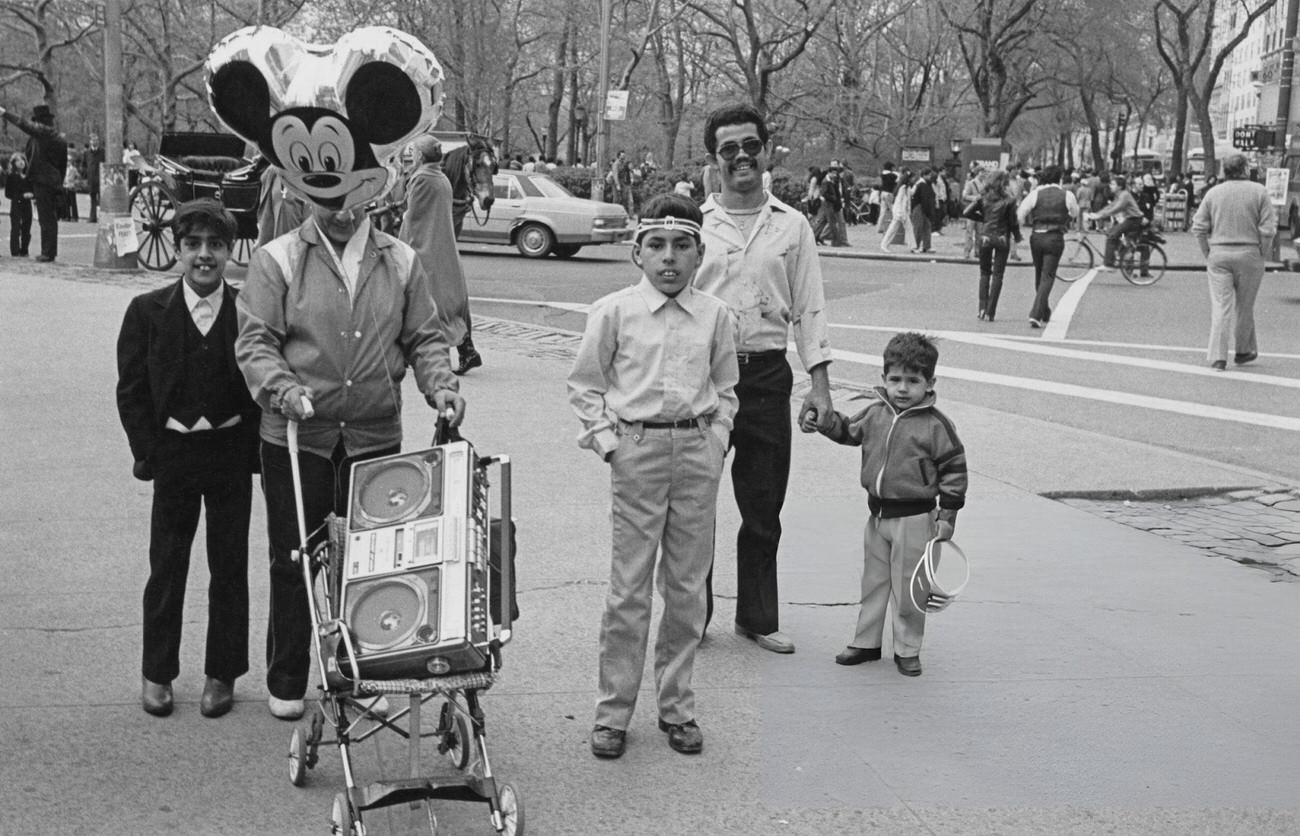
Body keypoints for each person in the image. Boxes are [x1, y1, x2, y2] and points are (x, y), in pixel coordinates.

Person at [235, 199, 467, 721]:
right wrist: (282, 388)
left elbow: (425, 337)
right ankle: (288, 676)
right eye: (328, 198)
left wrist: (442, 387)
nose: (342, 211)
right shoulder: (280, 258)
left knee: (368, 564)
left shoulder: (402, 261)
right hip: (298, 433)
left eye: (352, 198)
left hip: (372, 434)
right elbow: (255, 341)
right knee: (294, 557)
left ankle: (359, 673)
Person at [568, 193, 739, 760]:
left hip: (696, 450)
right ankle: (614, 713)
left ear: (699, 254)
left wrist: (716, 440)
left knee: (687, 588)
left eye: (682, 246)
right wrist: (610, 443)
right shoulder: (614, 311)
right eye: (657, 246)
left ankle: (677, 707)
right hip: (637, 450)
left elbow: (726, 388)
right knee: (629, 589)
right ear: (637, 253)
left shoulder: (716, 315)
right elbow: (586, 385)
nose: (670, 258)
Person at [695, 103, 834, 654]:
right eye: (730, 148)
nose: (742, 157)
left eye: (750, 145)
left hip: (768, 376)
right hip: (704, 379)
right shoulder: (696, 222)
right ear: (715, 159)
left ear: (765, 150)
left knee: (762, 506)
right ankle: (692, 617)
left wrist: (819, 385)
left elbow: (810, 307)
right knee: (694, 507)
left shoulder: (792, 224)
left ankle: (756, 617)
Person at [115, 200, 262, 719]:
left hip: (227, 453)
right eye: (194, 245)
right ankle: (157, 672)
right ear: (178, 250)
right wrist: (149, 452)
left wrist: (250, 455)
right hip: (174, 454)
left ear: (228, 253)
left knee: (229, 566)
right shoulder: (147, 312)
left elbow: (261, 388)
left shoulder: (248, 311)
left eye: (215, 246)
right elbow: (131, 390)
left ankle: (222, 674)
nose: (204, 256)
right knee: (168, 564)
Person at [800, 331, 967, 677]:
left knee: (910, 588)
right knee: (874, 581)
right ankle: (866, 641)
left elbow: (954, 471)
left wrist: (947, 517)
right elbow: (848, 431)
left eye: (912, 380)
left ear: (930, 382)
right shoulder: (876, 413)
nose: (903, 388)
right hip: (876, 516)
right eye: (895, 379)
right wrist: (825, 422)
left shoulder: (937, 426)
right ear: (883, 379)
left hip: (916, 519)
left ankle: (907, 648)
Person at [1190, 152, 1277, 371]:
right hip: (1249, 254)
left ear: (1225, 171)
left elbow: (1199, 227)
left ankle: (1218, 356)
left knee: (1220, 306)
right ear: (1246, 169)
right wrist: (1262, 253)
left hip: (1219, 253)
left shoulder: (1213, 193)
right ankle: (1243, 350)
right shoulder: (1259, 192)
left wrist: (1207, 252)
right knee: (1245, 306)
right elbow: (1268, 230)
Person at [399, 135, 471, 350]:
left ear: (420, 155)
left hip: (424, 247)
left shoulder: (421, 178)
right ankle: (465, 346)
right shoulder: (442, 178)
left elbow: (413, 217)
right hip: (441, 246)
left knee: (422, 297)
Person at [0, 103, 66, 261]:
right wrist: (59, 182)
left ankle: (48, 252)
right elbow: (62, 165)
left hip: (43, 180)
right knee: (49, 217)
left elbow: (24, 124)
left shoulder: (44, 134)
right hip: (52, 180)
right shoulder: (58, 139)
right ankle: (49, 250)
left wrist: (5, 113)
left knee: (46, 217)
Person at [1017, 165, 1079, 328]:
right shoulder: (1067, 195)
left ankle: (1044, 310)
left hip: (1037, 236)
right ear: (1059, 178)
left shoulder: (1035, 194)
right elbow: (1075, 213)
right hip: (1055, 237)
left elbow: (1021, 214)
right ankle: (1036, 313)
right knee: (1048, 275)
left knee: (1039, 273)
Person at [964, 169, 1020, 322]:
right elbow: (1013, 222)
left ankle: (981, 308)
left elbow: (966, 212)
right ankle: (991, 311)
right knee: (998, 275)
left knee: (984, 273)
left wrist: (984, 218)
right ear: (1004, 183)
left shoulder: (982, 198)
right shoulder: (1009, 200)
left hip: (985, 237)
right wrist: (1017, 236)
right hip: (1002, 237)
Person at [1087, 175, 1145, 271]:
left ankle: (1109, 264)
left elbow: (1117, 208)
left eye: (1113, 184)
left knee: (1112, 235)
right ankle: (1119, 253)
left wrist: (1099, 216)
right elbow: (1110, 206)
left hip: (1134, 219)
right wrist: (1096, 214)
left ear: (1120, 186)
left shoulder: (1124, 195)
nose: (1110, 186)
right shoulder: (1120, 195)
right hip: (1130, 219)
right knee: (1110, 232)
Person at [5, 152, 33, 256]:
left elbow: (33, 190)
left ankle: (24, 250)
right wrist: (21, 196)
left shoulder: (28, 177)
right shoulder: (12, 176)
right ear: (13, 163)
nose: (21, 162)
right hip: (16, 204)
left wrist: (32, 195)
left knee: (26, 228)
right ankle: (15, 251)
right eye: (17, 160)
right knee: (15, 228)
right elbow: (8, 193)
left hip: (27, 204)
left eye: (22, 160)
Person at [879, 169, 914, 253]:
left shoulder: (905, 187)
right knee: (893, 229)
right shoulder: (903, 188)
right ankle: (884, 244)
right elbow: (901, 201)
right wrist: (902, 213)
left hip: (902, 212)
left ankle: (912, 247)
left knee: (907, 229)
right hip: (900, 212)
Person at [909, 168, 936, 253]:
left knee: (926, 226)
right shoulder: (922, 184)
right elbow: (925, 199)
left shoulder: (922, 184)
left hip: (921, 207)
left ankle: (926, 246)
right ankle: (915, 246)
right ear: (924, 175)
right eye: (929, 175)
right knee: (919, 227)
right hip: (920, 207)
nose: (930, 177)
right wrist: (929, 211)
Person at [82, 133, 105, 223]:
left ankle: (102, 217)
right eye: (92, 140)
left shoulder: (103, 152)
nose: (94, 142)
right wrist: (84, 177)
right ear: (90, 141)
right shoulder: (87, 153)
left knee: (102, 200)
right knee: (93, 200)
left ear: (98, 142)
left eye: (96, 140)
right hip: (91, 179)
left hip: (101, 179)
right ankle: (92, 217)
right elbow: (84, 165)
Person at [876, 161, 897, 234]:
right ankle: (894, 226)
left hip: (883, 193)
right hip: (889, 193)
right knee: (893, 210)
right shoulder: (893, 175)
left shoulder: (882, 174)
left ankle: (879, 227)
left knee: (883, 212)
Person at [61, 143, 81, 222]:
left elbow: (78, 177)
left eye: (69, 161)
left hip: (71, 186)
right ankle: (67, 216)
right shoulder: (63, 168)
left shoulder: (73, 169)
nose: (67, 162)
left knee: (73, 203)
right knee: (66, 202)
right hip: (65, 186)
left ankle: (75, 217)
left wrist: (75, 182)